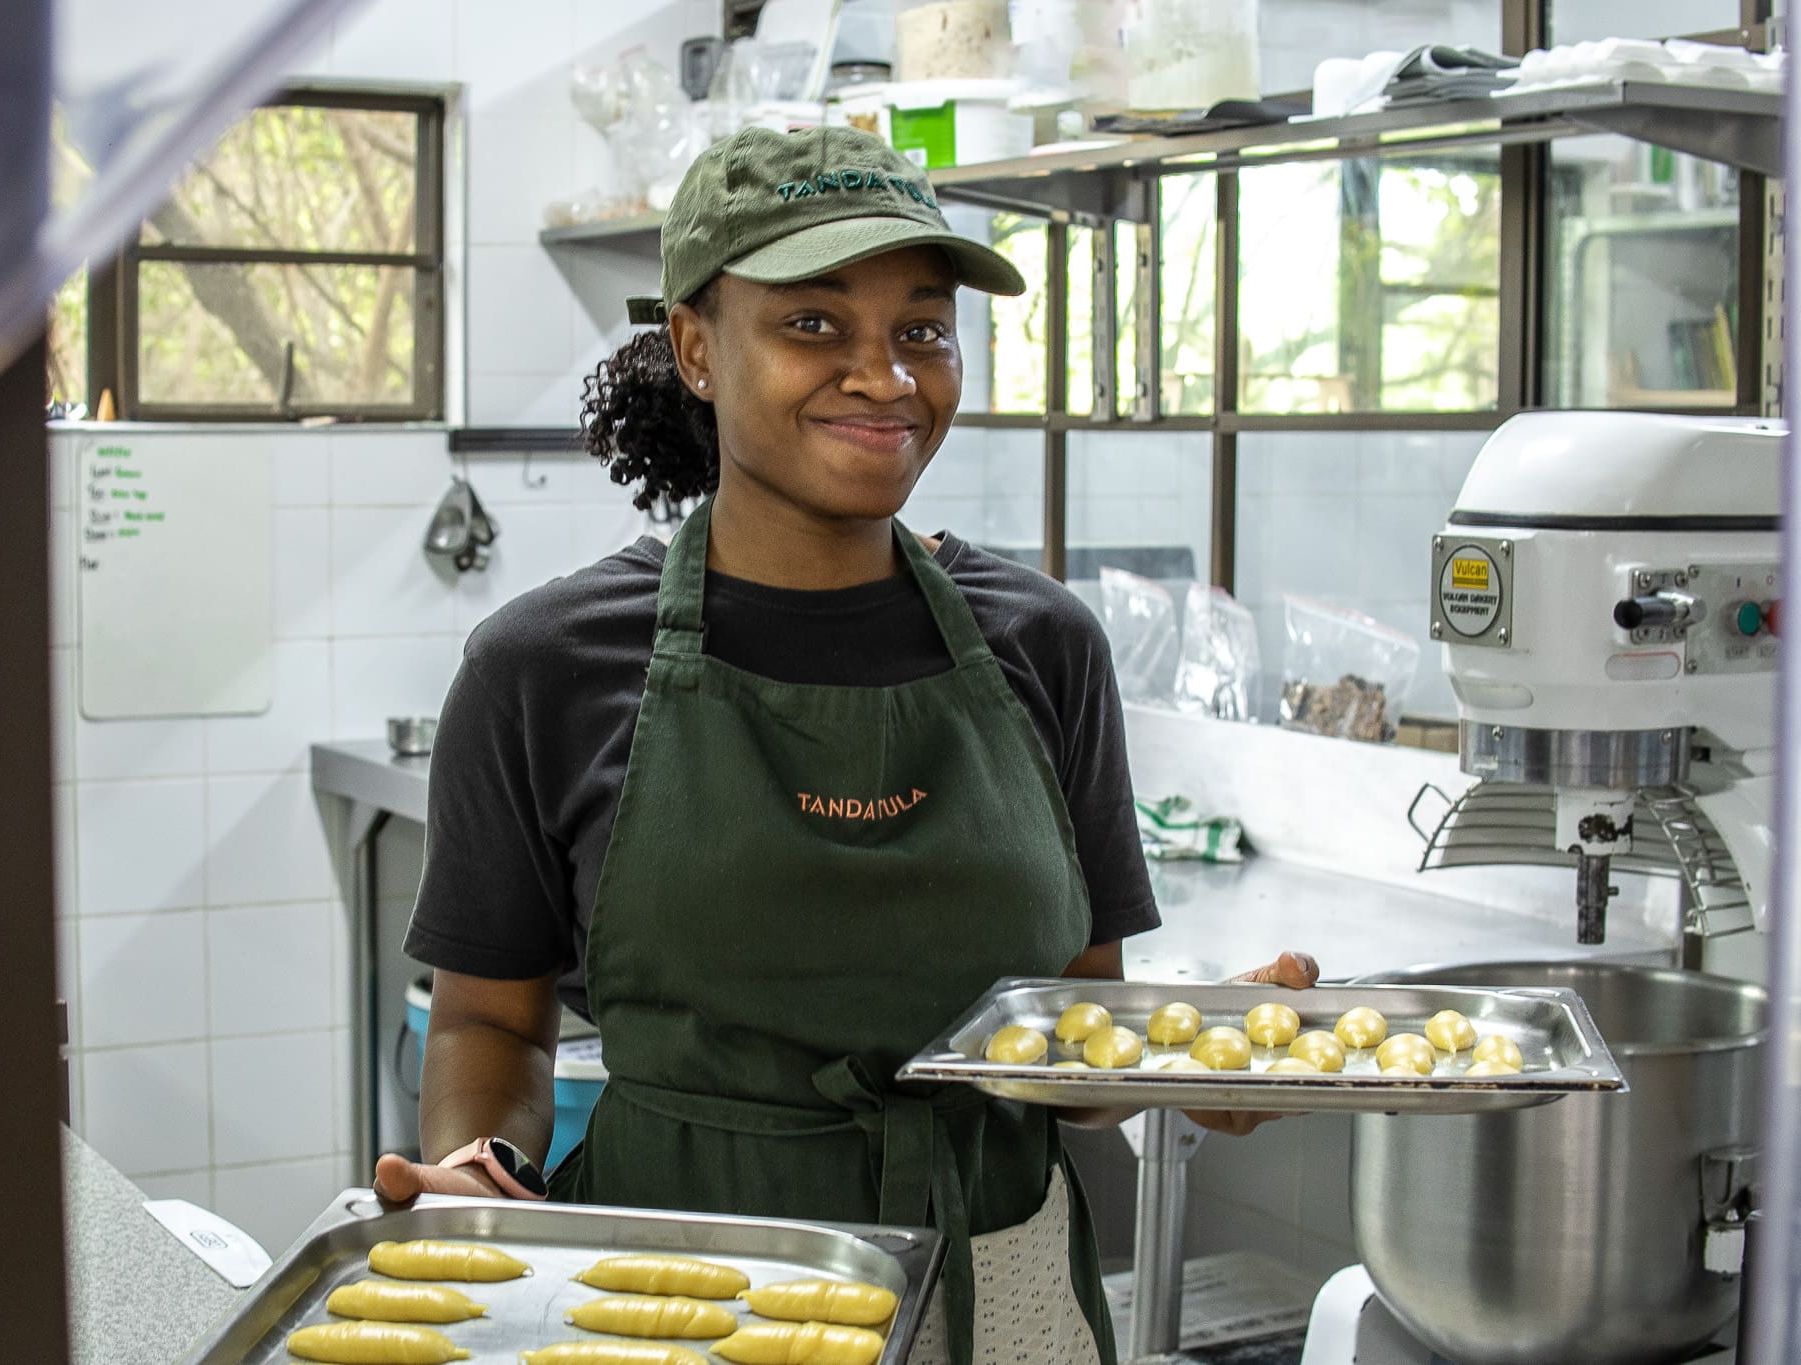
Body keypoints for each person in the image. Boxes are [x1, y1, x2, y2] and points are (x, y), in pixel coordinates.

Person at [372, 125, 1317, 1364]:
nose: (885, 375)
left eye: (920, 329)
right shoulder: (540, 668)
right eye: (814, 324)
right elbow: (490, 1023)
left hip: (1003, 1294)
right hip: (675, 1296)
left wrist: (1181, 1054)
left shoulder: (1044, 644)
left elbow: (1070, 1040)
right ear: (698, 349)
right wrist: (478, 1162)